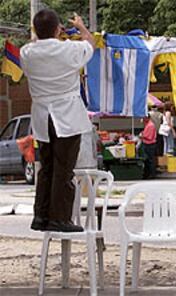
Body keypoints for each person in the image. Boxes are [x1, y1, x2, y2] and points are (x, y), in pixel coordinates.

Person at [20, 9, 95, 232]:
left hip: (42, 116)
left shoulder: (26, 53)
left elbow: (35, 43)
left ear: (35, 30)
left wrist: (47, 33)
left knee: (46, 166)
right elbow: (90, 43)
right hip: (67, 115)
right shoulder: (70, 49)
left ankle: (41, 216)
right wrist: (80, 26)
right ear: (58, 29)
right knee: (64, 168)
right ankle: (60, 218)